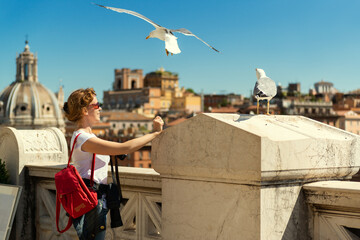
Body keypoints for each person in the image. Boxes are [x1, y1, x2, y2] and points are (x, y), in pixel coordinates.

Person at [63, 88, 163, 240]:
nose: (100, 108)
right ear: (84, 110)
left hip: (95, 199)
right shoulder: (83, 138)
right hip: (90, 200)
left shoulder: (88, 136)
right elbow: (125, 148)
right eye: (96, 105)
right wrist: (155, 134)